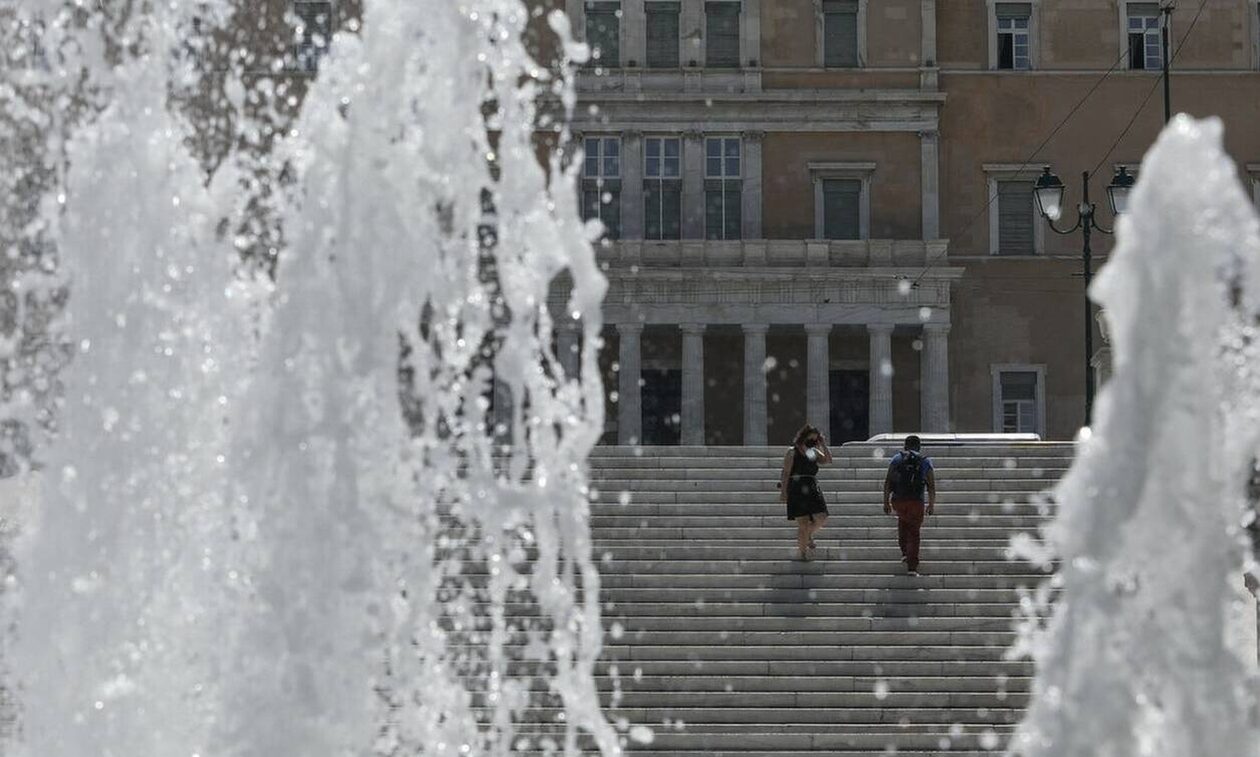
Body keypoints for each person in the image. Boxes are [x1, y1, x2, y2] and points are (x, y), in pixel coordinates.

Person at [883, 435, 936, 577]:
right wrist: (931, 504)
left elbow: (888, 481)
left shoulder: (896, 459)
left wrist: (885, 501)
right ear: (919, 446)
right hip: (916, 501)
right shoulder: (925, 461)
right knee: (914, 531)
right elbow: (931, 485)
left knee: (903, 523)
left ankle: (905, 552)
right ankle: (912, 566)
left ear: (905, 446)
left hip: (898, 500)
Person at [778, 424, 833, 561]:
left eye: (815, 440)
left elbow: (828, 460)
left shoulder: (813, 452)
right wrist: (784, 492)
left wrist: (823, 444)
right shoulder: (792, 452)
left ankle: (807, 535)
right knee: (802, 523)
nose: (813, 442)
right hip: (796, 487)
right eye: (811, 439)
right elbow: (785, 473)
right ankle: (802, 553)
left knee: (821, 517)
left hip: (812, 487)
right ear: (804, 437)